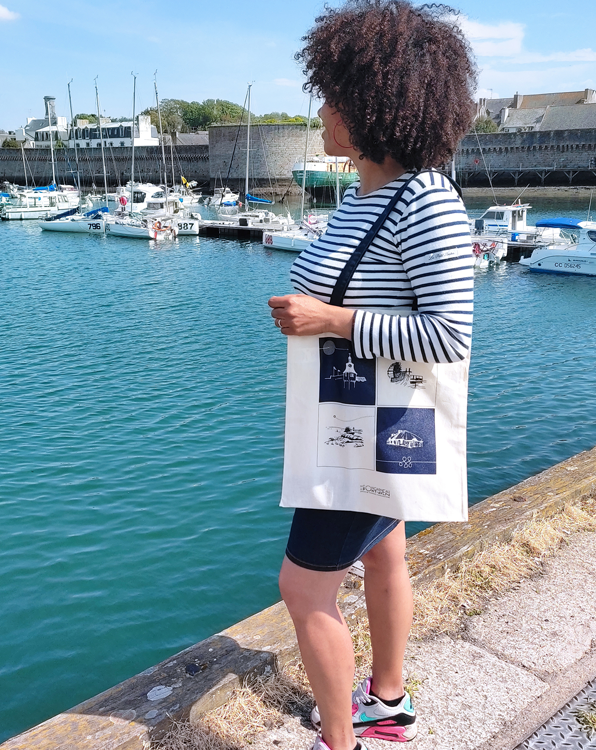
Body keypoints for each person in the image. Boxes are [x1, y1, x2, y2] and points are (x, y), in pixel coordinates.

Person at [267, 3, 476, 750]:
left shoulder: (425, 200)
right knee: (386, 551)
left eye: (336, 97)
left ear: (378, 109)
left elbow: (449, 336)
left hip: (368, 432)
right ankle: (386, 703)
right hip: (356, 418)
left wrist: (332, 322)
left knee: (303, 589)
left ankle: (339, 740)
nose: (322, 110)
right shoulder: (365, 195)